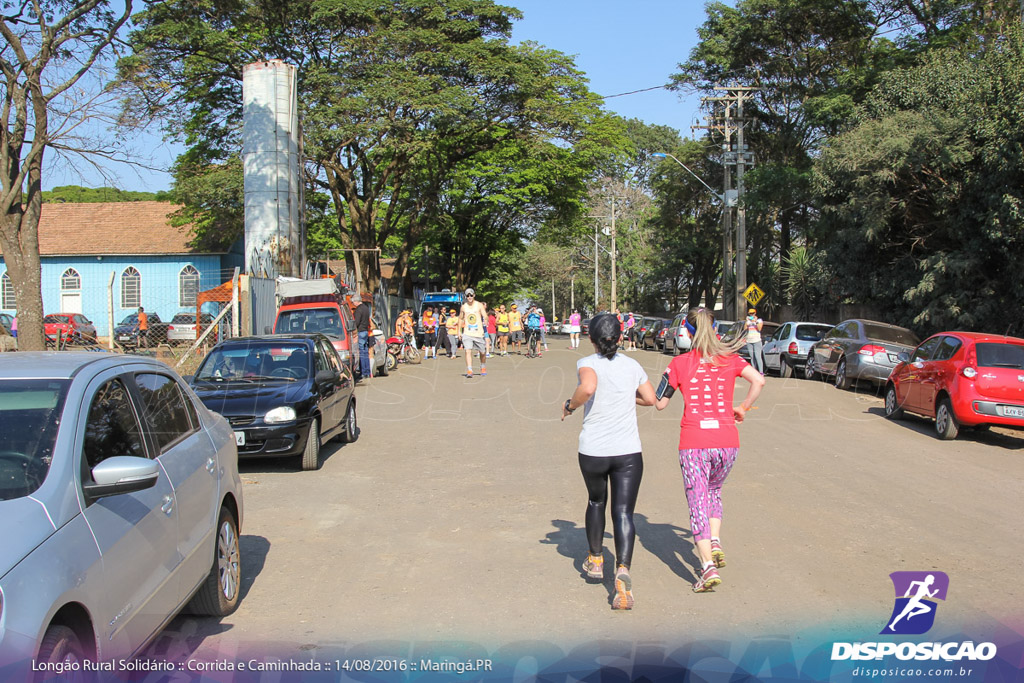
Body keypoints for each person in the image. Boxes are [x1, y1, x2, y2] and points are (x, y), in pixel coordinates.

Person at [654, 308, 765, 593]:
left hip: (694, 444)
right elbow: (759, 380)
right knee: (714, 491)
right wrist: (742, 408)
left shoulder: (679, 363)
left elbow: (659, 401)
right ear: (714, 328)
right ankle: (714, 542)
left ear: (688, 332)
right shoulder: (730, 358)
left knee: (697, 504)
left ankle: (706, 568)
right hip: (728, 441)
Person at [561, 313, 657, 610]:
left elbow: (587, 388)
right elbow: (651, 398)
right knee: (624, 513)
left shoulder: (587, 363)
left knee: (596, 502)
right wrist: (627, 398)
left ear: (591, 339)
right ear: (620, 337)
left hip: (595, 451)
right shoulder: (633, 365)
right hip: (628, 452)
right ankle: (623, 571)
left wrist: (570, 405)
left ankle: (596, 560)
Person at [459, 288, 487, 377]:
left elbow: (485, 316)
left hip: (478, 333)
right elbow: (460, 318)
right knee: (468, 351)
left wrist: (485, 320)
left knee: (482, 352)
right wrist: (459, 331)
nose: (469, 297)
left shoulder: (479, 305)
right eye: (468, 295)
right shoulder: (463, 307)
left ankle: (483, 366)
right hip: (467, 333)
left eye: (471, 295)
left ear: (474, 295)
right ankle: (469, 370)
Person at [353, 294, 372, 379]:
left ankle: (363, 372)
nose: (353, 303)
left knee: (361, 353)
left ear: (357, 301)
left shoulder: (358, 310)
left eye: (353, 301)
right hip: (365, 331)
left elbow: (356, 322)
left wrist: (353, 330)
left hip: (360, 332)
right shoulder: (366, 308)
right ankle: (367, 371)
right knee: (365, 352)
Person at [743, 308, 765, 374]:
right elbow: (744, 329)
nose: (751, 314)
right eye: (750, 313)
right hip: (749, 340)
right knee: (752, 357)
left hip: (757, 340)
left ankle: (761, 372)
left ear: (755, 313)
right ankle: (754, 371)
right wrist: (747, 322)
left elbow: (759, 328)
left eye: (753, 313)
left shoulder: (759, 320)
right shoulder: (748, 321)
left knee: (757, 356)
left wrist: (755, 321)